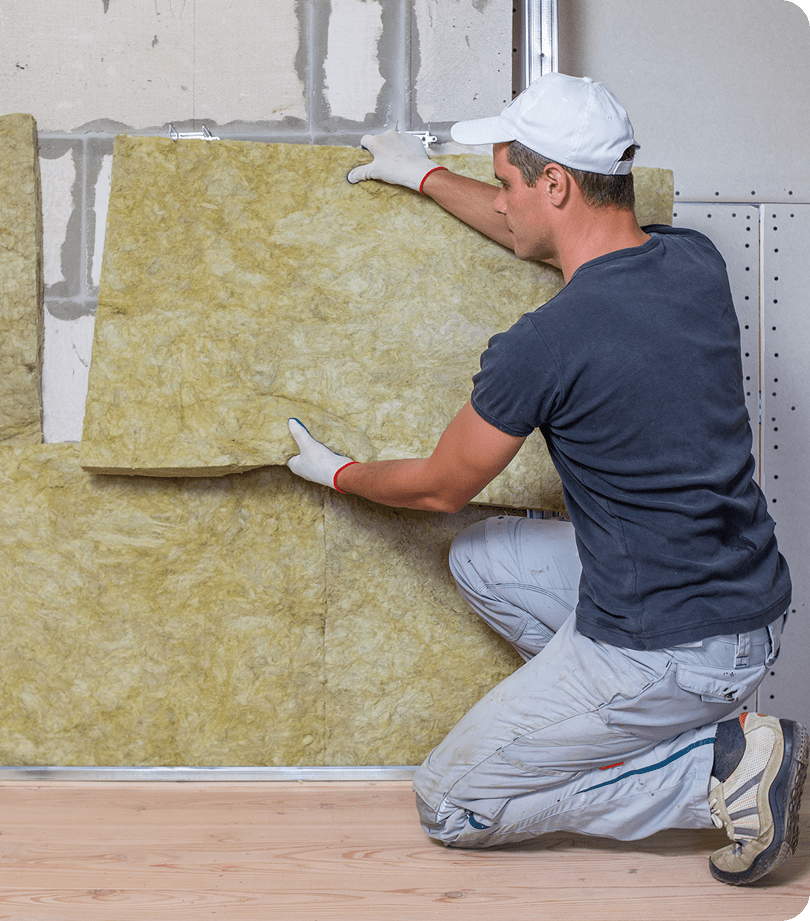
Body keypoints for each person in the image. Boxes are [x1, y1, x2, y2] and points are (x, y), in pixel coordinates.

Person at [284, 72, 807, 885]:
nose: (501, 203)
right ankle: (639, 724)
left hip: (670, 646)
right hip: (748, 611)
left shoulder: (544, 344)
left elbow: (438, 487)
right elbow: (537, 231)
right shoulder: (691, 262)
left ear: (556, 184)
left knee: (452, 803)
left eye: (506, 183)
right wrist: (423, 175)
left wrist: (341, 473)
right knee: (481, 557)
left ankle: (714, 767)